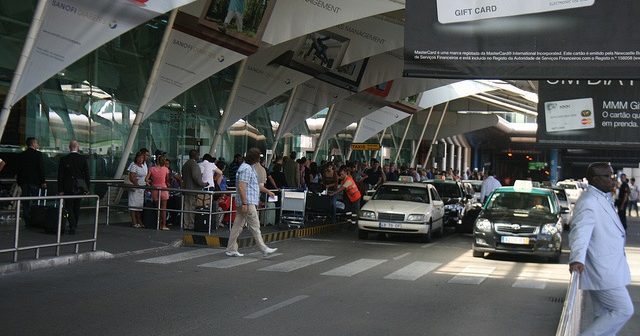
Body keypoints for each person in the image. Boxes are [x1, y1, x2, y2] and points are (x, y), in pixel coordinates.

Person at [569, 162, 634, 335]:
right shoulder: (589, 201)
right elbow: (580, 233)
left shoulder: (602, 197)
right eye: (607, 176)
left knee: (602, 314)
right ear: (594, 179)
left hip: (608, 267)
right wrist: (576, 258)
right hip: (603, 270)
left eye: (612, 175)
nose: (612, 180)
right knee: (624, 309)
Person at [225, 148, 278, 257]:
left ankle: (231, 248)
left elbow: (254, 185)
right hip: (248, 202)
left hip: (245, 202)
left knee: (237, 226)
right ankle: (263, 248)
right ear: (255, 159)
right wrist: (245, 203)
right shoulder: (246, 169)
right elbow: (242, 186)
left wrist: (268, 191)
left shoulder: (248, 168)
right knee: (255, 226)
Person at [57, 140, 90, 234]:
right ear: (77, 147)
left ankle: (72, 224)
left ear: (69, 147)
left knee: (68, 206)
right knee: (77, 206)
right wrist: (87, 188)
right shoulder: (83, 159)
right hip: (79, 186)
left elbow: (60, 176)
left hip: (67, 186)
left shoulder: (64, 159)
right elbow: (87, 175)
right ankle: (74, 225)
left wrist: (60, 189)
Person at [17, 137, 46, 226]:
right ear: (33, 144)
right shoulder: (38, 155)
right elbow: (41, 169)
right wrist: (43, 181)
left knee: (25, 201)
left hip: (24, 182)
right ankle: (34, 219)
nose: (38, 145)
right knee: (34, 200)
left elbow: (18, 169)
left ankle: (27, 220)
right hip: (34, 181)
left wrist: (19, 181)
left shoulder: (22, 155)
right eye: (37, 143)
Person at [181, 150, 208, 230]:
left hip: (186, 189)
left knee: (186, 207)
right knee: (192, 207)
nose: (199, 157)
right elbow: (196, 177)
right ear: (195, 155)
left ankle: (186, 224)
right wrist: (203, 184)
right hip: (193, 189)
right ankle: (191, 225)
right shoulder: (194, 165)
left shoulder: (185, 164)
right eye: (198, 155)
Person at [146, 155, 170, 230]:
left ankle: (158, 224)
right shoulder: (166, 169)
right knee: (163, 208)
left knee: (157, 208)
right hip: (163, 189)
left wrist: (151, 182)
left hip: (155, 189)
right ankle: (164, 225)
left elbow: (146, 179)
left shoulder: (152, 169)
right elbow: (167, 180)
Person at [127, 151, 148, 228]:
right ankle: (134, 221)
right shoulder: (134, 166)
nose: (140, 159)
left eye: (142, 158)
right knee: (133, 205)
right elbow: (131, 177)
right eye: (139, 158)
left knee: (139, 205)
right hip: (136, 188)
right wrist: (137, 185)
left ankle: (139, 220)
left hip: (142, 188)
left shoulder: (143, 166)